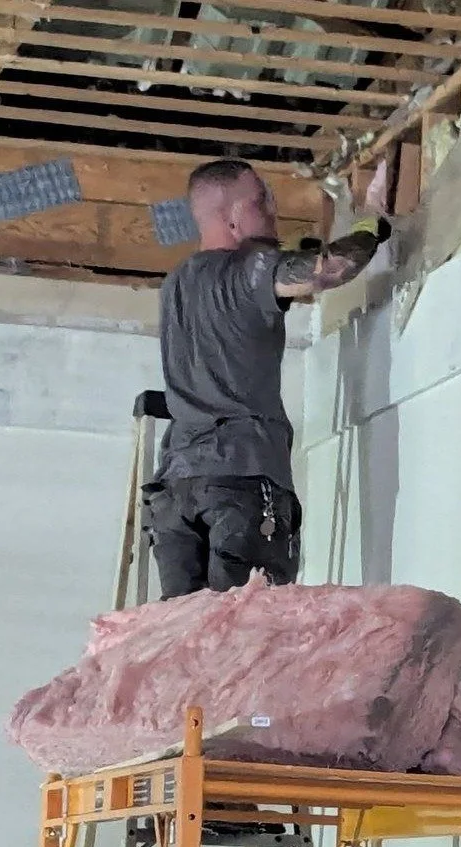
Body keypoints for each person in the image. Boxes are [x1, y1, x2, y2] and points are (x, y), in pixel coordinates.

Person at [143, 156, 392, 599]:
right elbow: (327, 269)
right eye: (262, 202)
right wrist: (374, 225)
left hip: (176, 489)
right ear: (234, 219)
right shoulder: (251, 266)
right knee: (249, 635)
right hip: (239, 480)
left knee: (184, 642)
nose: (273, 212)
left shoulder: (178, 282)